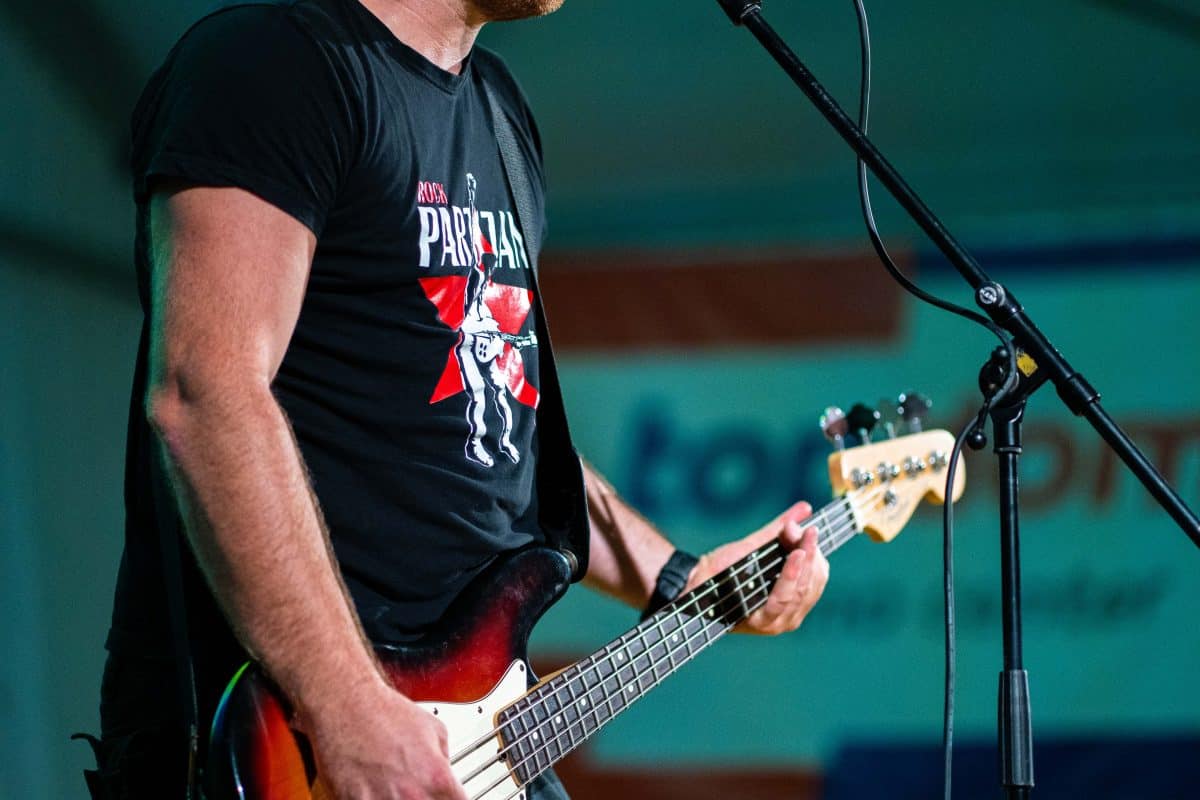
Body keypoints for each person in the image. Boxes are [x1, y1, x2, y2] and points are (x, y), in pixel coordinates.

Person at [89, 0, 831, 798]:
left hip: (469, 737)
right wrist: (344, 703)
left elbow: (507, 436)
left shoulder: (499, 110)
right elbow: (205, 393)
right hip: (294, 741)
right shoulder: (273, 61)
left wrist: (681, 576)